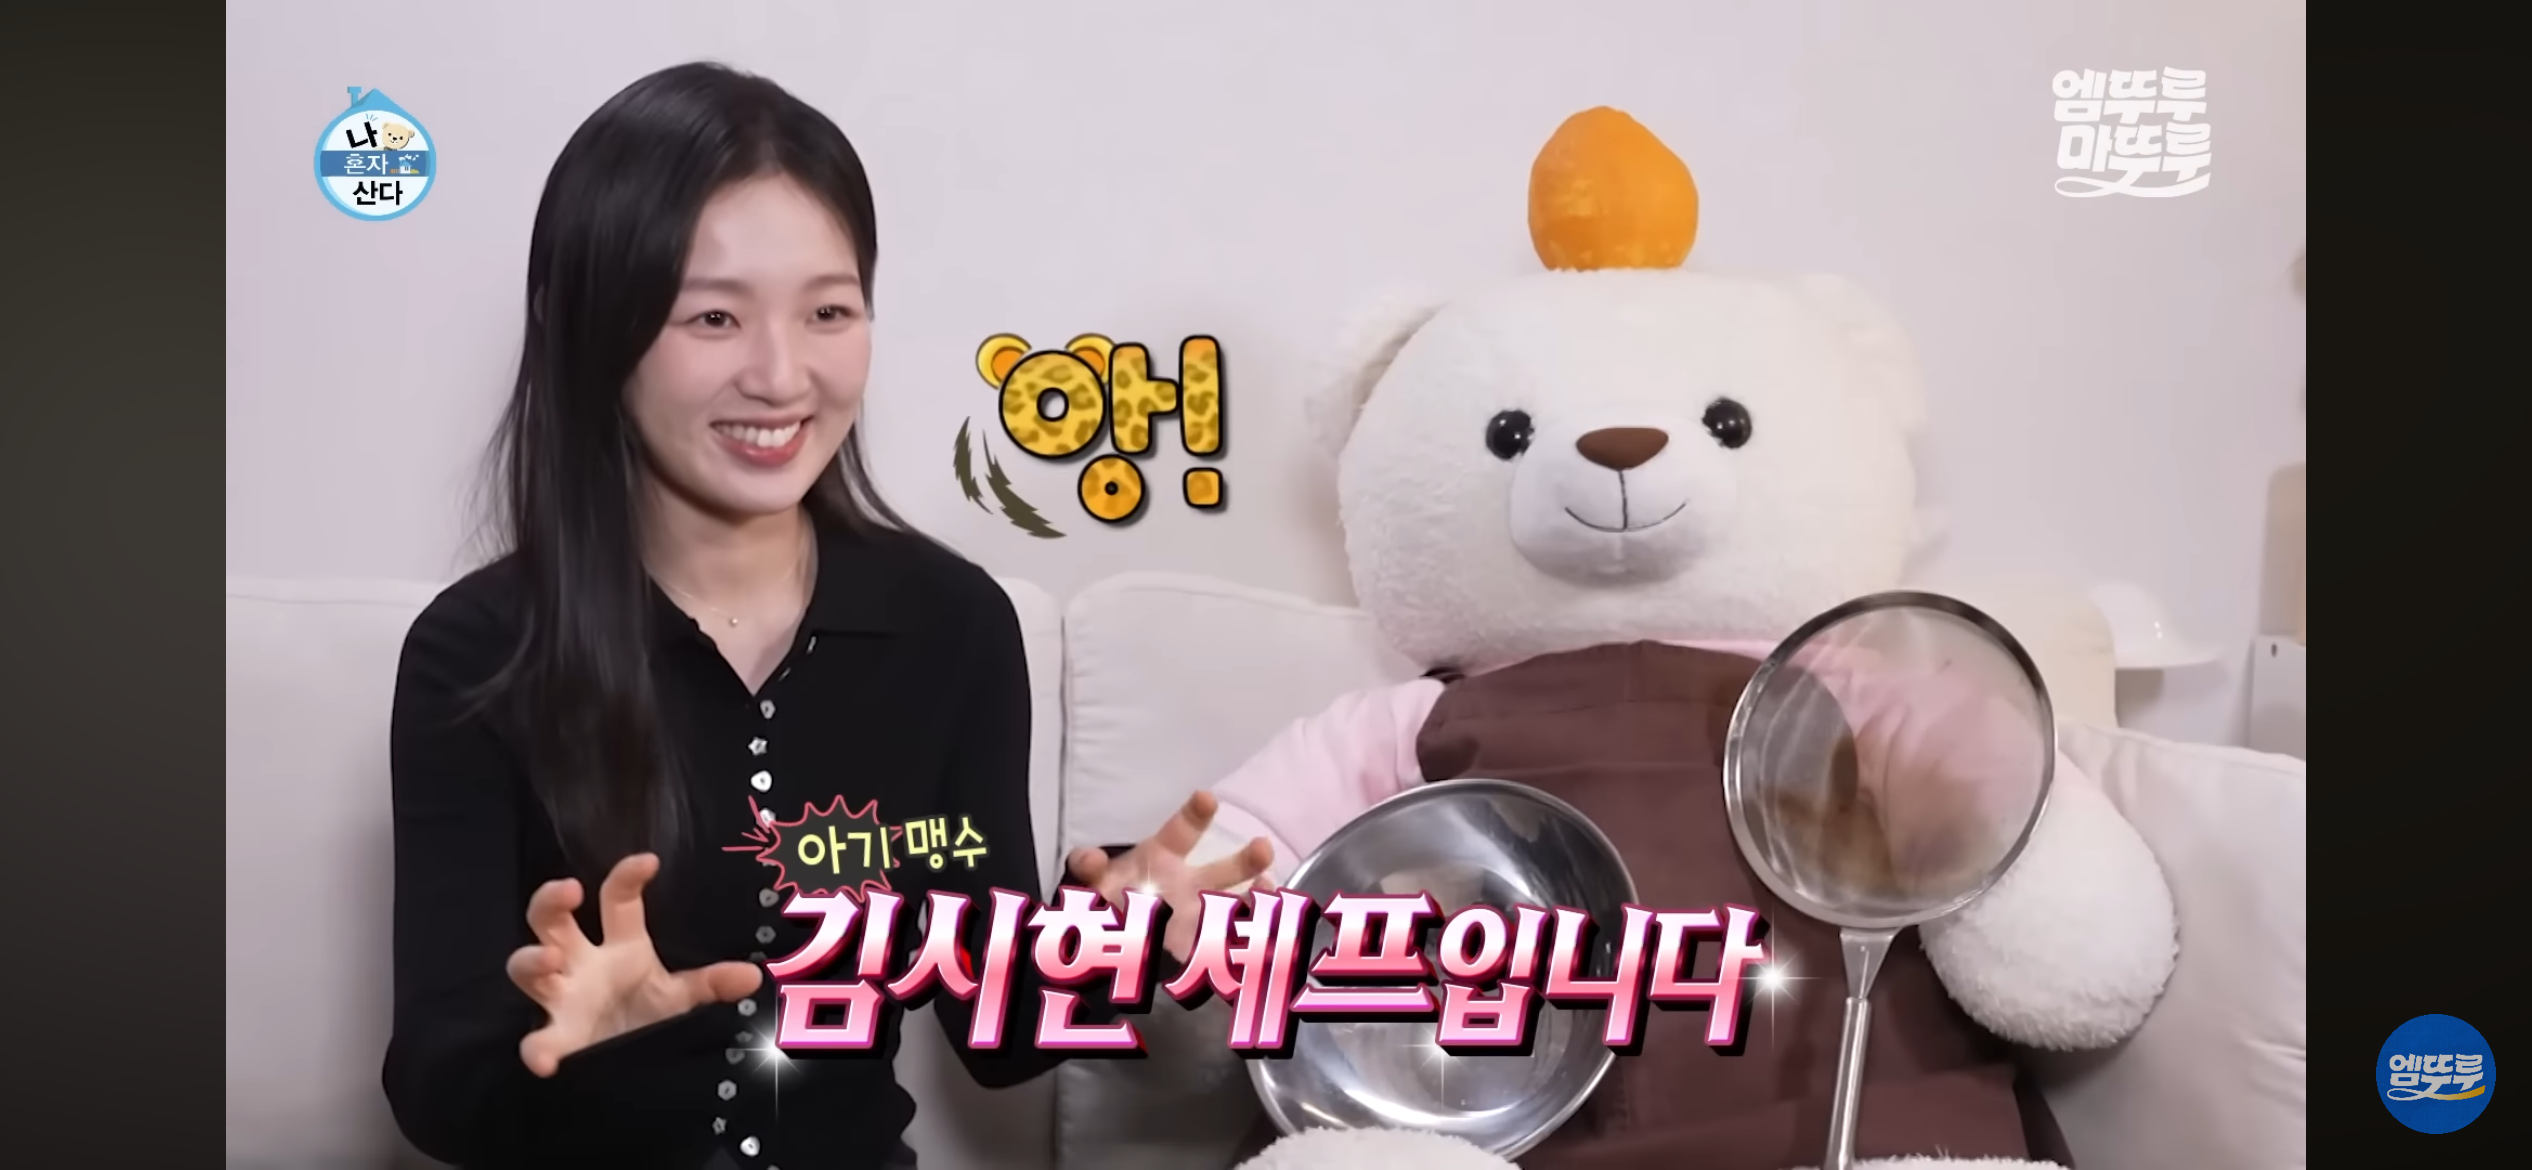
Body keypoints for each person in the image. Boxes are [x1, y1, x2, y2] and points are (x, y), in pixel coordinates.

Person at [382, 62, 1273, 1170]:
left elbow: (996, 1035)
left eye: (829, 311)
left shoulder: (951, 626)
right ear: (593, 331)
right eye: (713, 316)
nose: (781, 374)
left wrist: (1119, 938)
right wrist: (570, 1048)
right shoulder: (480, 651)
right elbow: (431, 1087)